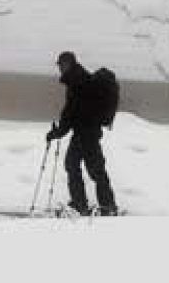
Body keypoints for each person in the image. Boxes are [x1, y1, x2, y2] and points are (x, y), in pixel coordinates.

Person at [46, 50, 117, 216]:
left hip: (86, 133)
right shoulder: (78, 79)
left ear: (69, 64)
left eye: (62, 65)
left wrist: (58, 132)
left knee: (83, 167)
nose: (60, 68)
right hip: (87, 132)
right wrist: (59, 131)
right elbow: (71, 112)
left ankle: (86, 204)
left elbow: (71, 112)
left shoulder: (77, 81)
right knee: (89, 168)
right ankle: (104, 204)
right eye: (59, 65)